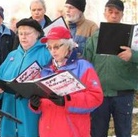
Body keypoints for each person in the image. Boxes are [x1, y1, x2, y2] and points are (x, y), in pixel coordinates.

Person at [29, 26, 103, 137]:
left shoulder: (83, 67)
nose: (53, 51)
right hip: (47, 131)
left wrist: (67, 101)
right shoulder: (45, 70)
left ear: (68, 45)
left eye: (57, 47)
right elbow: (42, 104)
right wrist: (35, 105)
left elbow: (95, 97)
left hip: (72, 131)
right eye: (49, 47)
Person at [84, 0, 138, 136]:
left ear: (122, 15)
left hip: (123, 94)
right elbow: (85, 63)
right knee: (97, 132)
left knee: (123, 132)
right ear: (105, 13)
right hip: (99, 94)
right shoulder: (95, 37)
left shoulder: (132, 37)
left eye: (117, 12)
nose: (113, 15)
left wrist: (133, 56)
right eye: (110, 11)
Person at [0, 18, 51, 137]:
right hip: (9, 113)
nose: (23, 37)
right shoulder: (12, 55)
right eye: (21, 33)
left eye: (27, 33)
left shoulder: (46, 54)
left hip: (32, 114)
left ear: (37, 35)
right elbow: (0, 77)